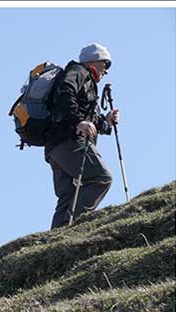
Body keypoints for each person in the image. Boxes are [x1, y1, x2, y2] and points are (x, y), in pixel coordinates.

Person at [45, 43, 120, 228]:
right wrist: (79, 122)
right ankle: (74, 225)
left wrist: (106, 121)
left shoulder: (85, 80)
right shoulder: (78, 72)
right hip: (71, 142)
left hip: (56, 147)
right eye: (106, 64)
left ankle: (55, 239)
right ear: (93, 61)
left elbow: (90, 117)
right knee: (101, 178)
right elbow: (65, 94)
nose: (107, 71)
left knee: (69, 194)